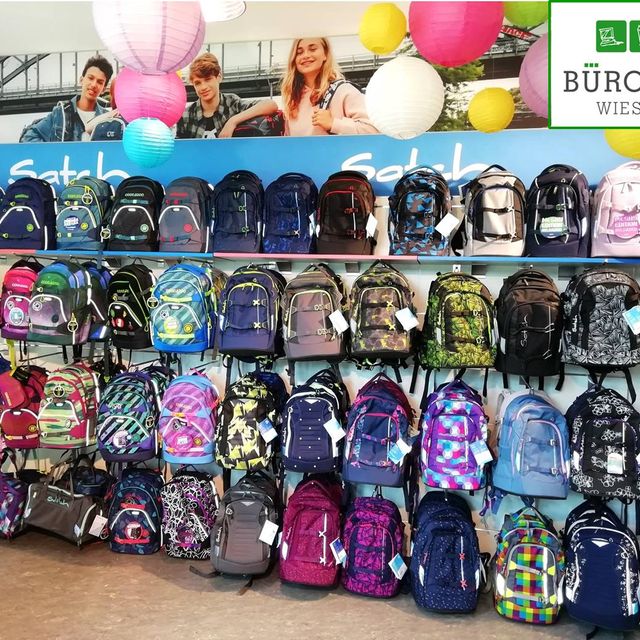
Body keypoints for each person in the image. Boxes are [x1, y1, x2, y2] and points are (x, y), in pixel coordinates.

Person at [280, 37, 378, 136]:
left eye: (312, 49)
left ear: (325, 54)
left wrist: (333, 124)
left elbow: (372, 130)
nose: (305, 55)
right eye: (299, 52)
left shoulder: (343, 90)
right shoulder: (292, 99)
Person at [176, 52, 279, 139]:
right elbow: (179, 151)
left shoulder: (232, 104)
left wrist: (232, 122)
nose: (203, 87)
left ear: (219, 77)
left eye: (208, 79)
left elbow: (271, 105)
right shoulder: (186, 115)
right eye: (197, 83)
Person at [20, 55, 114, 142]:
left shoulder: (108, 120)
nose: (93, 84)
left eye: (100, 82)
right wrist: (51, 152)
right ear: (81, 80)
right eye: (90, 78)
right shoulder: (60, 113)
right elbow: (27, 137)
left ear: (103, 89)